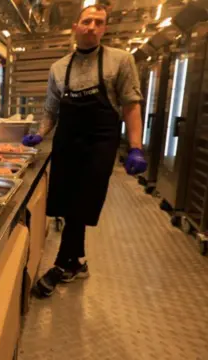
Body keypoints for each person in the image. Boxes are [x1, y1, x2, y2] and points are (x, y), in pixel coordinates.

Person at [21, 4, 148, 297]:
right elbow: (51, 110)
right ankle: (77, 262)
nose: (92, 26)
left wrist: (136, 147)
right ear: (76, 27)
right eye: (87, 21)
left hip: (100, 142)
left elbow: (130, 106)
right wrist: (39, 135)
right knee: (64, 204)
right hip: (67, 141)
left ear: (105, 28)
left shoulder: (120, 61)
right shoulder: (59, 68)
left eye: (99, 22)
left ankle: (60, 265)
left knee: (82, 205)